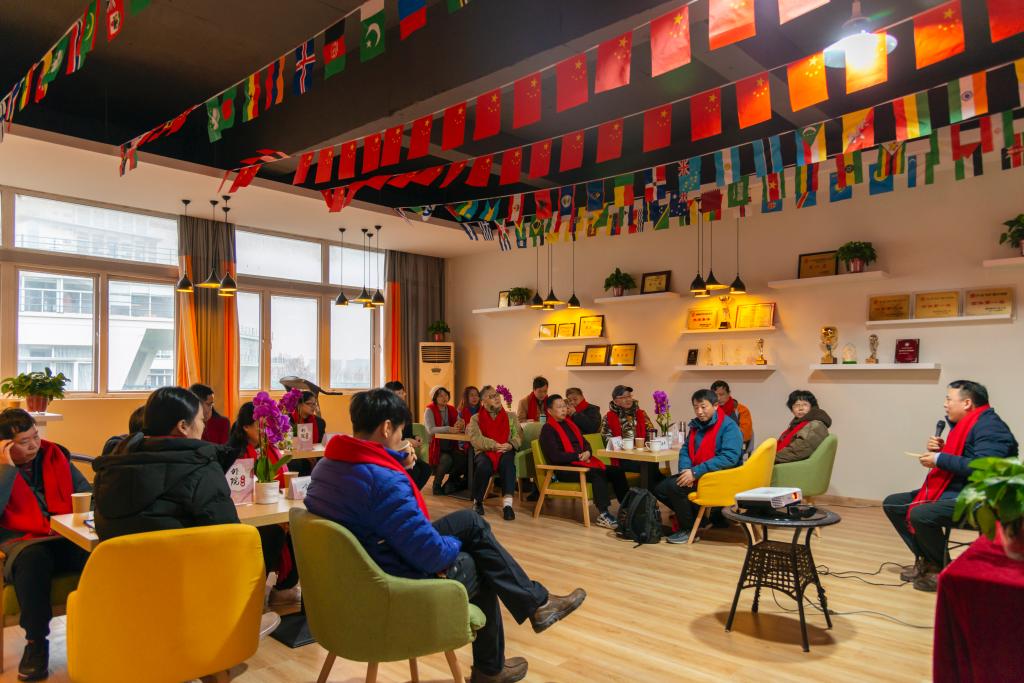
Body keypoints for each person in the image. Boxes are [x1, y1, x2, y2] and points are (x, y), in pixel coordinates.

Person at [305, 388, 586, 683]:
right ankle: (496, 661)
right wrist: (456, 544)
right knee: (483, 561)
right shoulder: (383, 480)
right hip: (390, 577)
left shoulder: (328, 465)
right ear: (387, 428)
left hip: (358, 569)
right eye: (400, 432)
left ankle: (534, 609)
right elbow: (432, 556)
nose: (403, 440)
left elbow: (380, 510)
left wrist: (399, 466)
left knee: (470, 520)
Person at [883, 380, 1018, 592]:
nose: (945, 404)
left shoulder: (990, 427)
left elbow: (985, 467)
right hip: (959, 489)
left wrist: (940, 459)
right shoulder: (969, 424)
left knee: (921, 513)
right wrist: (943, 451)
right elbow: (967, 457)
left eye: (949, 399)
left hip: (984, 499)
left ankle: (940, 568)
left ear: (967, 403)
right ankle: (929, 560)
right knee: (893, 503)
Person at [0, 409, 92, 681]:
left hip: (63, 535)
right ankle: (36, 644)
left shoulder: (54, 455)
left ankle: (98, 631)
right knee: (34, 559)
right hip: (22, 541)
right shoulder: (3, 467)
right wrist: (6, 469)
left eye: (35, 436)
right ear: (5, 445)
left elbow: (86, 492)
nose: (34, 445)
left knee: (101, 553)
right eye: (24, 441)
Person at [92, 386, 238, 541]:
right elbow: (229, 538)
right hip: (181, 556)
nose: (204, 426)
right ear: (183, 426)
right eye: (201, 420)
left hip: (119, 557)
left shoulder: (111, 468)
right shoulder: (203, 470)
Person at [226, 402, 300, 602]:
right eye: (261, 426)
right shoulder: (234, 454)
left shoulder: (270, 450)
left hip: (270, 509)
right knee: (274, 532)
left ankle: (284, 587)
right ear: (245, 427)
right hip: (244, 517)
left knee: (298, 528)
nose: (266, 431)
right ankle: (252, 595)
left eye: (269, 426)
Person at [653, 389, 743, 544]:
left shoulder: (729, 426)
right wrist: (685, 470)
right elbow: (685, 450)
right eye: (696, 407)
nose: (699, 411)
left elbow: (729, 457)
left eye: (703, 407)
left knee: (674, 487)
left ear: (715, 406)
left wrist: (695, 472)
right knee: (659, 488)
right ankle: (699, 520)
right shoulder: (697, 425)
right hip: (700, 473)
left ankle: (688, 529)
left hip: (721, 477)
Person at [539, 396, 629, 530]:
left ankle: (627, 509)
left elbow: (585, 443)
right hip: (565, 469)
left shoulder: (570, 424)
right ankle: (603, 515)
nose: (563, 409)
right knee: (597, 473)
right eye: (559, 407)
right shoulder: (548, 429)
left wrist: (588, 452)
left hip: (581, 462)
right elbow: (555, 456)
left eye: (564, 406)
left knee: (617, 470)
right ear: (550, 411)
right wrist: (578, 456)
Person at [467, 386, 523, 520]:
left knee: (508, 464)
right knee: (484, 466)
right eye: (491, 397)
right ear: (483, 401)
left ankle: (508, 505)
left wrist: (511, 445)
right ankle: (478, 502)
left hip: (505, 449)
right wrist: (494, 445)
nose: (496, 398)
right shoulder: (476, 418)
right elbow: (476, 439)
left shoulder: (511, 416)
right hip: (485, 451)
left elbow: (519, 435)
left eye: (497, 395)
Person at [383, 380, 431, 490]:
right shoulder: (385, 413)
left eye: (401, 393)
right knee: (414, 471)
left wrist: (415, 438)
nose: (401, 396)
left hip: (404, 450)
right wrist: (408, 441)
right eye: (397, 394)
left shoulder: (406, 411)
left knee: (426, 469)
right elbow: (388, 437)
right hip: (391, 451)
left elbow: (407, 432)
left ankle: (411, 494)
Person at [425, 386, 467, 495]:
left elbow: (459, 423)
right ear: (434, 398)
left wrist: (460, 424)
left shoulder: (451, 409)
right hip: (435, 447)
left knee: (463, 458)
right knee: (446, 459)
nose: (444, 398)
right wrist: (448, 429)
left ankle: (451, 483)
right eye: (440, 396)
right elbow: (430, 430)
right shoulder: (429, 410)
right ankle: (436, 485)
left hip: (450, 445)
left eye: (446, 395)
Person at [775, 390, 832, 464]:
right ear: (792, 410)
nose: (800, 408)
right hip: (787, 462)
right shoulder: (796, 424)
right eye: (796, 405)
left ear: (812, 407)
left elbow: (800, 449)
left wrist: (771, 458)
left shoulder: (815, 424)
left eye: (805, 404)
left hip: (793, 466)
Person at [710, 380, 754, 450]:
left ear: (729, 393)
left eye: (722, 394)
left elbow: (746, 435)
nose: (718, 398)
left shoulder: (741, 410)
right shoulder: (710, 410)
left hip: (735, 448)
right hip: (713, 448)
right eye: (715, 395)